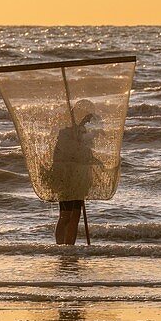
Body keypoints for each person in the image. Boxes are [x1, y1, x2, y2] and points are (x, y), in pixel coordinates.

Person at [49, 100, 100, 245]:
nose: (89, 119)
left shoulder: (82, 133)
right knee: (66, 215)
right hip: (67, 178)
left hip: (78, 178)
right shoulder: (65, 133)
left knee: (73, 214)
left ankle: (68, 246)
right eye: (87, 116)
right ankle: (63, 247)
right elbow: (64, 155)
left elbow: (84, 154)